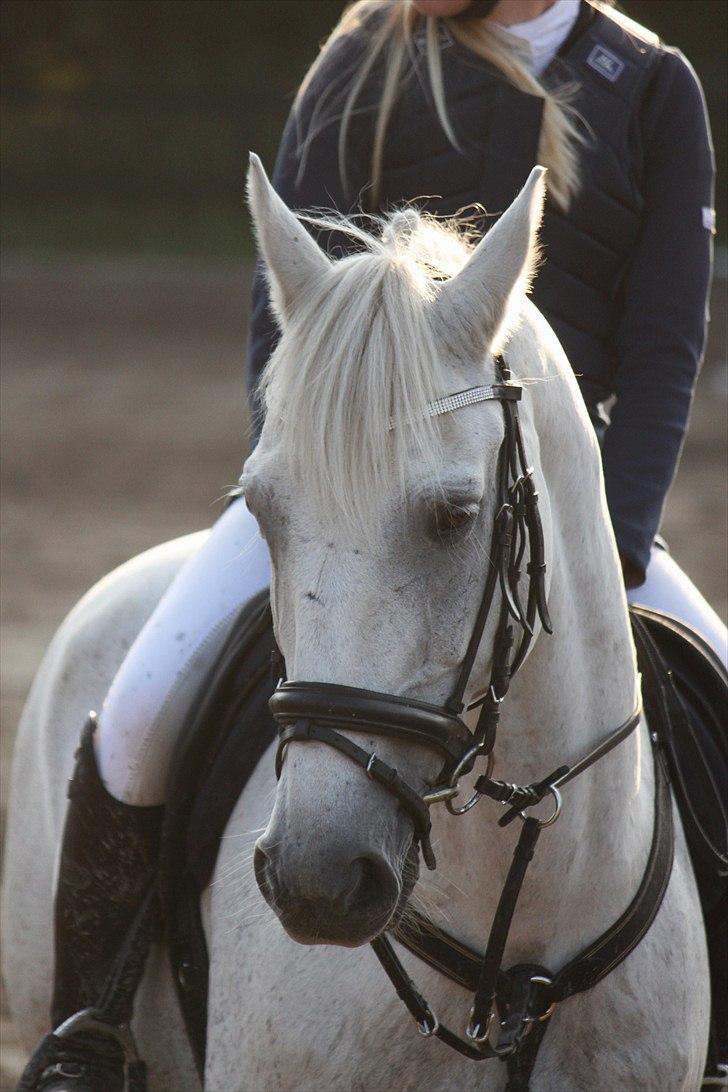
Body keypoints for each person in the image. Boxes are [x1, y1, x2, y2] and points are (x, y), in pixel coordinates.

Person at [24, 2, 726, 1089]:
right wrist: (307, 490)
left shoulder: (648, 80)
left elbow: (665, 334)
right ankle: (92, 1032)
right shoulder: (367, 59)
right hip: (347, 496)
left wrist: (616, 537)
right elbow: (286, 312)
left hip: (565, 503)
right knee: (134, 718)